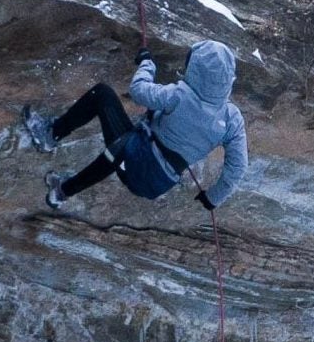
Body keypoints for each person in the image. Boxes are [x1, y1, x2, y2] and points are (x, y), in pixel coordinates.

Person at [22, 39, 250, 212]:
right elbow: (237, 168)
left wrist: (146, 64)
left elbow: (139, 90)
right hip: (157, 184)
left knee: (102, 95)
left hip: (136, 161)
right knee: (123, 148)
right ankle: (60, 192)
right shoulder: (232, 119)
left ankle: (49, 136)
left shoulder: (179, 95)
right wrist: (212, 199)